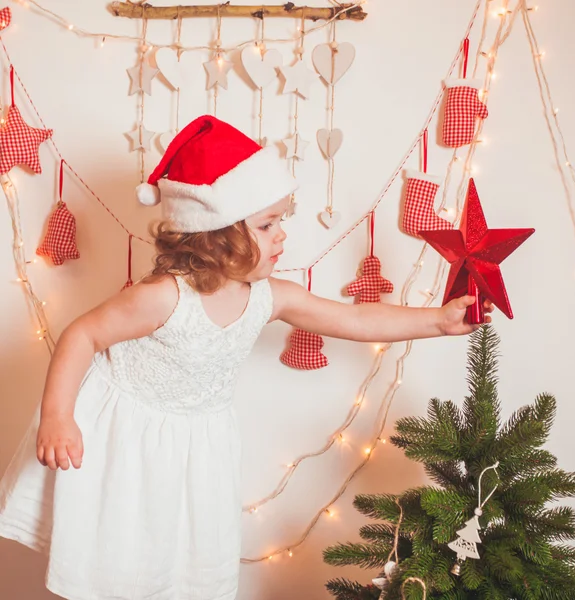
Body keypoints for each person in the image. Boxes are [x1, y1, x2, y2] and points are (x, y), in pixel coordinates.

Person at [0, 115, 493, 600]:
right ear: (215, 232)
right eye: (267, 224)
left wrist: (438, 321)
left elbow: (356, 320)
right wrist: (58, 416)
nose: (282, 235)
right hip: (127, 440)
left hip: (199, 446)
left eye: (281, 221)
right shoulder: (162, 297)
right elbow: (82, 334)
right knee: (120, 562)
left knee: (182, 565)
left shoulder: (269, 296)